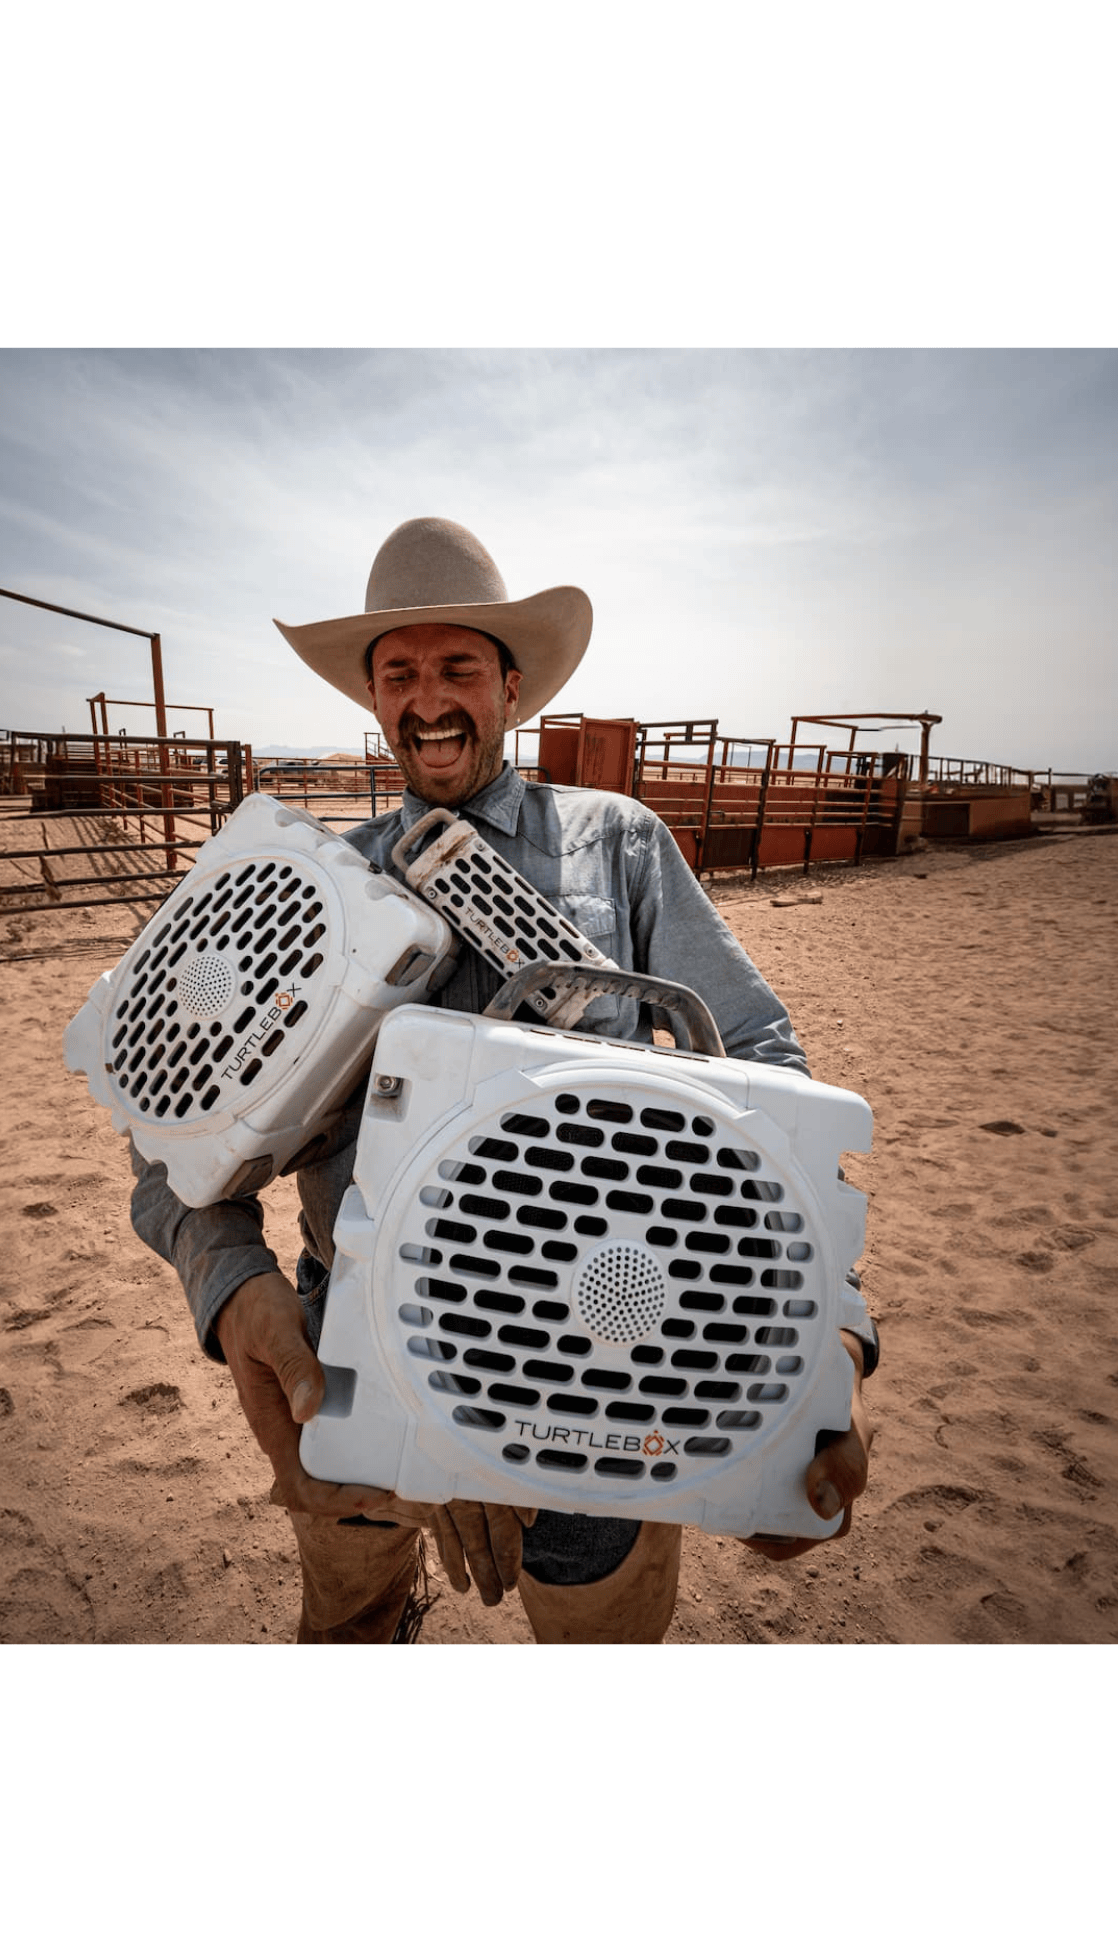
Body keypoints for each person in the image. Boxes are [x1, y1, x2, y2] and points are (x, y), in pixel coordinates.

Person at [130, 518, 877, 1642]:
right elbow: (168, 1130)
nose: (428, 698)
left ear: (511, 686)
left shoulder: (613, 844)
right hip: (348, 1359)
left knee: (599, 1634)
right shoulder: (308, 892)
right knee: (348, 1621)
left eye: (457, 667)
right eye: (399, 673)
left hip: (609, 1355)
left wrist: (826, 1328)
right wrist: (237, 1292)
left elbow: (764, 1070)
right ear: (373, 699)